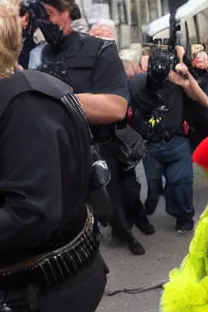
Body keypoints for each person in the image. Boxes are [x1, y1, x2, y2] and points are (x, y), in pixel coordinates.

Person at [0, 3, 119, 312]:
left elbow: (32, 211)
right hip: (50, 277)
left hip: (48, 285)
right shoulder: (26, 88)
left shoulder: (24, 100)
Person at [30, 0, 148, 255]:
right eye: (38, 15)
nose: (42, 21)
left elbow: (115, 108)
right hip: (56, 156)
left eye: (48, 14)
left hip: (99, 150)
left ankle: (125, 233)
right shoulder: (35, 55)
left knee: (115, 205)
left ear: (66, 13)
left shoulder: (99, 50)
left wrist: (53, 98)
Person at [129, 49, 208, 233]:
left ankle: (184, 217)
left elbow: (203, 100)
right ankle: (156, 199)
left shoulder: (177, 84)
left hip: (176, 142)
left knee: (180, 183)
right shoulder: (136, 85)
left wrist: (185, 79)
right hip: (151, 145)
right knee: (154, 184)